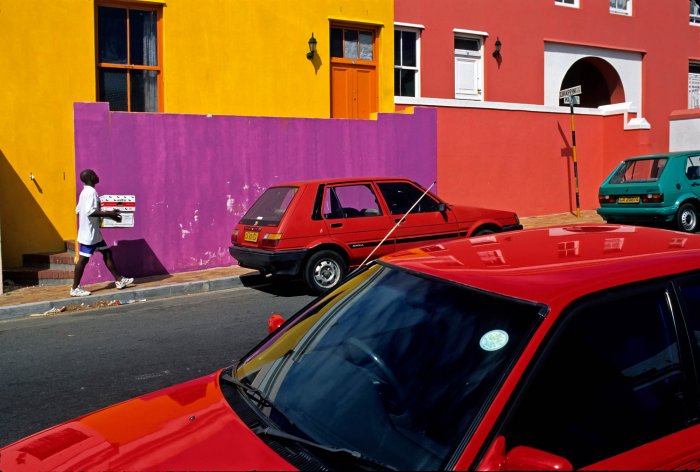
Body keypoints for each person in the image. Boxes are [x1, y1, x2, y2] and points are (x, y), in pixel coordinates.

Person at [71, 169, 134, 297]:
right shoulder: (91, 192)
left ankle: (119, 280)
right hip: (89, 234)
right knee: (83, 259)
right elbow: (90, 211)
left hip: (92, 232)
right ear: (89, 178)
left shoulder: (84, 192)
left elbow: (78, 210)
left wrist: (104, 214)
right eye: (94, 174)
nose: (97, 175)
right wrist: (110, 214)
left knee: (107, 252)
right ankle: (75, 288)